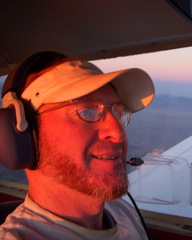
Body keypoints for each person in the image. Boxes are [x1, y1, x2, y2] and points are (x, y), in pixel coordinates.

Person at [0, 51, 155, 239]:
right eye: (87, 111)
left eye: (118, 113)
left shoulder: (123, 211)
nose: (118, 133)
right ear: (23, 134)